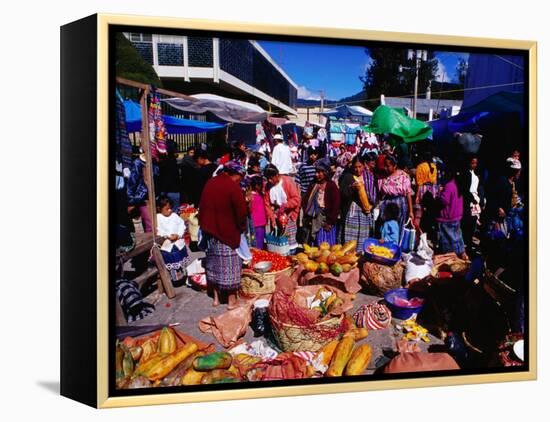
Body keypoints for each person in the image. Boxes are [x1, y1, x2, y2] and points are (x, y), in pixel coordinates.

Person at [199, 161, 248, 308]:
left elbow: (202, 206)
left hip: (210, 231)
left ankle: (216, 298)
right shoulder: (232, 187)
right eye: (241, 177)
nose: (241, 180)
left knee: (214, 265)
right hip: (227, 232)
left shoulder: (210, 183)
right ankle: (231, 300)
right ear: (234, 174)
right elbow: (241, 212)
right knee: (230, 265)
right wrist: (241, 228)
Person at [339, 154, 377, 252]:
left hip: (365, 212)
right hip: (352, 212)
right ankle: (348, 255)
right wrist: (352, 188)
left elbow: (374, 194)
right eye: (355, 167)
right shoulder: (347, 177)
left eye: (360, 167)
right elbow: (343, 193)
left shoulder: (369, 177)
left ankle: (361, 255)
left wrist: (371, 205)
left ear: (364, 165)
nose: (357, 169)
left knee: (363, 235)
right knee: (351, 236)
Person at [263, 164, 301, 252]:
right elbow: (267, 204)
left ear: (277, 175)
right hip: (276, 216)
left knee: (289, 241)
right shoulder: (268, 186)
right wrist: (272, 219)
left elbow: (296, 199)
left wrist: (285, 206)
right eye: (267, 178)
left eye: (271, 178)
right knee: (278, 241)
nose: (269, 180)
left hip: (288, 215)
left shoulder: (287, 182)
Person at [302, 161, 341, 246]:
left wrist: (330, 222)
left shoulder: (331, 186)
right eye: (316, 172)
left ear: (326, 173)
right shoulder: (313, 185)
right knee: (313, 244)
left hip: (326, 220)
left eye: (320, 172)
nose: (317, 174)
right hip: (313, 219)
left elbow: (336, 206)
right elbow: (306, 201)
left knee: (324, 246)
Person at [436, 167, 468, 260]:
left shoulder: (449, 185)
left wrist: (439, 194)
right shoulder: (458, 184)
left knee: (447, 241)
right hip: (456, 216)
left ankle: (451, 260)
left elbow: (444, 201)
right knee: (457, 238)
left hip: (447, 217)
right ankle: (462, 256)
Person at [377, 155, 414, 235]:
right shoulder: (382, 177)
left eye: (388, 166)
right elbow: (381, 194)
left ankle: (396, 246)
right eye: (385, 166)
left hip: (400, 204)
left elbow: (408, 194)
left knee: (399, 227)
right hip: (387, 204)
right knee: (386, 227)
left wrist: (411, 211)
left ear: (395, 166)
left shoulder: (403, 176)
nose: (386, 168)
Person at [156, 196, 189, 285]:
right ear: (159, 208)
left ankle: (184, 276)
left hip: (177, 242)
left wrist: (178, 235)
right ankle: (175, 279)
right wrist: (167, 236)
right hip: (167, 244)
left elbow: (181, 225)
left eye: (170, 208)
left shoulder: (174, 216)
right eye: (167, 209)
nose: (170, 210)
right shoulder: (158, 218)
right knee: (171, 261)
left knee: (180, 259)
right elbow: (159, 230)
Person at [127, 152, 158, 233]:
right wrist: (131, 200)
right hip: (141, 198)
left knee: (151, 223)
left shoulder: (154, 162)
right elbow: (132, 182)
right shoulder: (137, 163)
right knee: (149, 223)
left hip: (151, 196)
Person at [458, 155, 484, 250]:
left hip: (475, 199)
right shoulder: (466, 174)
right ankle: (466, 241)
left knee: (473, 222)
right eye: (472, 163)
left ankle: (468, 241)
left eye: (475, 163)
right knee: (468, 221)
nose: (474, 165)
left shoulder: (474, 174)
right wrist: (471, 198)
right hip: (469, 200)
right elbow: (465, 189)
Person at [158, 140, 181, 212]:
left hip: (165, 191)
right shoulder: (173, 162)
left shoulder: (163, 162)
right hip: (173, 191)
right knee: (174, 212)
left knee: (164, 213)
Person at [249, 176, 268, 249]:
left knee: (259, 240)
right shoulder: (253, 196)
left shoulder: (258, 195)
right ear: (257, 186)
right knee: (258, 242)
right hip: (258, 223)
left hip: (259, 222)